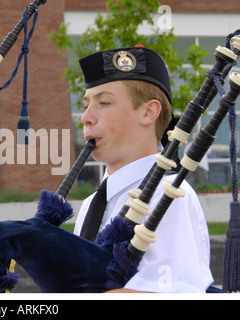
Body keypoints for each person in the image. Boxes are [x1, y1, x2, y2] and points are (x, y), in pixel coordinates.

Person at [73, 46, 213, 292]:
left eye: (103, 102)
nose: (86, 117)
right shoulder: (90, 205)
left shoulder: (170, 196)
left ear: (149, 112)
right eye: (86, 105)